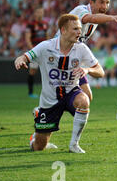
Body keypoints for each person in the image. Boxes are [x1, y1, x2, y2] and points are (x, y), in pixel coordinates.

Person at [14, 14, 105, 153]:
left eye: (80, 29)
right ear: (63, 30)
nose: (79, 32)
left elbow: (100, 71)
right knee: (39, 147)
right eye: (75, 29)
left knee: (84, 100)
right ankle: (37, 128)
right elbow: (25, 56)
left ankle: (74, 144)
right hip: (50, 100)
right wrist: (19, 61)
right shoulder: (46, 46)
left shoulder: (81, 48)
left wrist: (87, 70)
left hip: (71, 93)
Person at [57, 0, 117, 102]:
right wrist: (112, 17)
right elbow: (91, 18)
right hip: (58, 54)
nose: (105, 6)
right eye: (101, 2)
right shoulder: (81, 10)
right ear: (91, 2)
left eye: (107, 3)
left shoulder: (97, 16)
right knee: (59, 97)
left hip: (73, 56)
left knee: (87, 97)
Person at [24, 7, 49, 98]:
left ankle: (49, 92)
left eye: (41, 12)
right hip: (35, 51)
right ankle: (30, 93)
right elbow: (27, 39)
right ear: (35, 13)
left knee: (48, 71)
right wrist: (33, 51)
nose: (40, 14)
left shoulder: (45, 24)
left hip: (44, 52)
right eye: (38, 12)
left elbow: (47, 38)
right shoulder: (30, 25)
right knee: (33, 71)